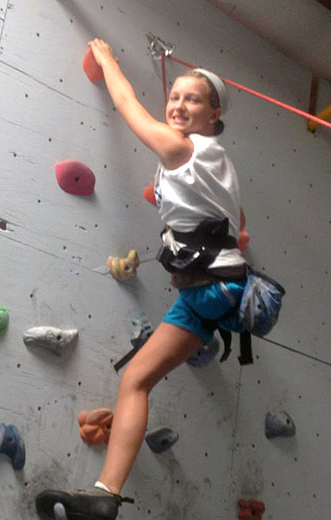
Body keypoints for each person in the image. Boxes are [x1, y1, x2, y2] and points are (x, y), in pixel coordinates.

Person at [36, 38, 247, 520]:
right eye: (175, 97)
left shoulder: (182, 148)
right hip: (210, 295)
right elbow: (236, 217)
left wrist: (107, 59)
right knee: (135, 381)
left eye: (192, 100)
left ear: (214, 117)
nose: (178, 105)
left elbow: (128, 104)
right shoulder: (218, 163)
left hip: (210, 291)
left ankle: (107, 492)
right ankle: (105, 495)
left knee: (134, 384)